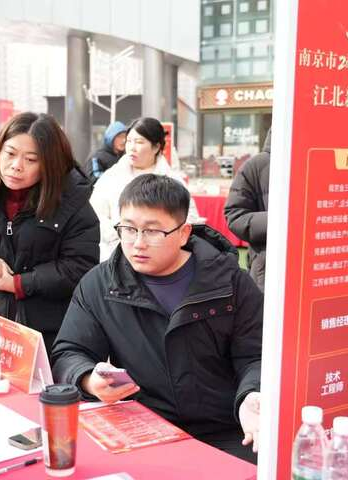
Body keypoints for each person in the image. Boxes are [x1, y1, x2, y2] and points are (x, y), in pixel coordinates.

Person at [52, 174, 263, 463]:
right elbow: (69, 352)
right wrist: (88, 378)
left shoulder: (231, 283)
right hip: (143, 426)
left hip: (228, 429)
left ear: (184, 233)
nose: (138, 243)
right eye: (129, 229)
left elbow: (256, 355)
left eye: (152, 231)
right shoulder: (100, 285)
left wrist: (251, 396)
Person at [0, 112, 100, 352]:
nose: (16, 166)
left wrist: (18, 283)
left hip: (46, 333)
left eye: (31, 159)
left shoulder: (71, 201)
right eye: (10, 153)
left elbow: (80, 266)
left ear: (49, 163)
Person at [90, 117, 200, 261]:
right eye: (129, 141)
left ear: (156, 147)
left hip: (161, 258)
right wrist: (120, 236)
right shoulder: (111, 177)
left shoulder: (173, 181)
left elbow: (189, 219)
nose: (132, 147)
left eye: (139, 142)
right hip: (115, 256)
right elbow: (95, 214)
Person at [224, 127, 271, 292]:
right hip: (267, 270)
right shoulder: (257, 165)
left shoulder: (326, 159)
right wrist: (280, 220)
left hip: (320, 265)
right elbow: (235, 216)